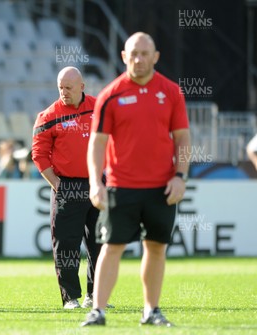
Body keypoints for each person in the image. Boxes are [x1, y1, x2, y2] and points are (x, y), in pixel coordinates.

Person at [82, 32, 190, 327]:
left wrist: (181, 177)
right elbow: (97, 143)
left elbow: (182, 139)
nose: (139, 59)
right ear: (123, 56)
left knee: (156, 247)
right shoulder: (110, 94)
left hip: (161, 187)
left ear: (156, 57)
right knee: (111, 246)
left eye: (145, 53)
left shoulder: (171, 92)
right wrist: (95, 181)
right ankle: (98, 311)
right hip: (121, 186)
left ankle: (151, 310)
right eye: (133, 53)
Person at [32, 66, 110, 309]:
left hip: (98, 183)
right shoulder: (48, 116)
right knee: (66, 244)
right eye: (60, 88)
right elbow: (39, 154)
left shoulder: (100, 108)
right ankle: (70, 298)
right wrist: (56, 184)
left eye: (69, 87)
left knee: (100, 243)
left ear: (82, 87)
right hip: (67, 186)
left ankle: (95, 297)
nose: (64, 92)